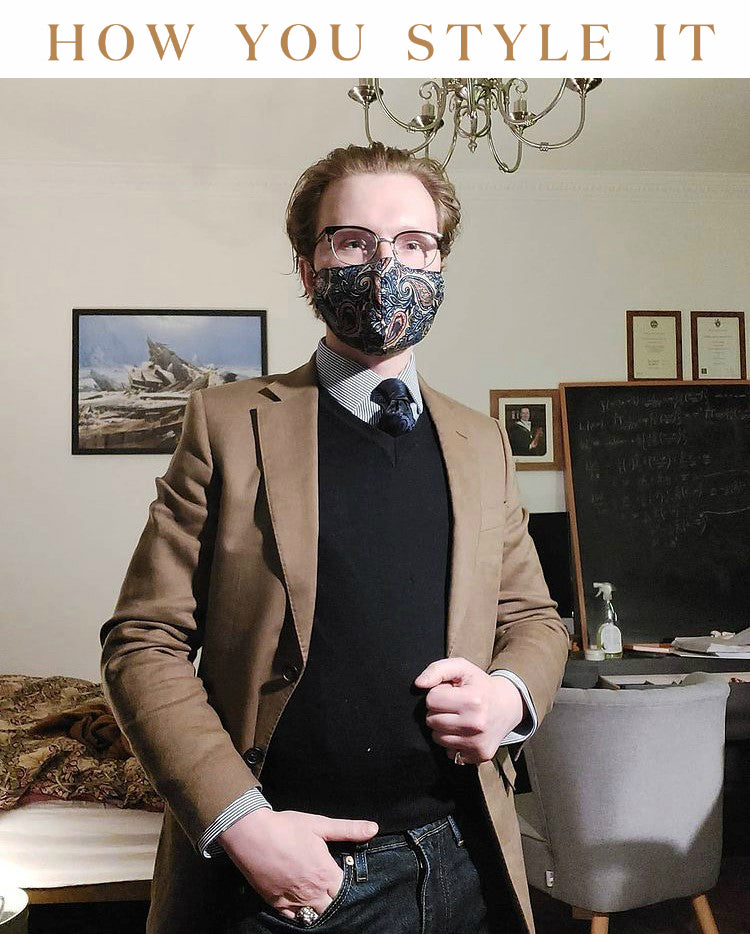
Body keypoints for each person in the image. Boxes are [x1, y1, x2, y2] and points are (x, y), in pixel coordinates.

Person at [100, 143, 569, 934]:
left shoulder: (482, 440)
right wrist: (243, 823)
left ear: (440, 265)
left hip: (467, 858)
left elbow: (534, 619)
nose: (387, 265)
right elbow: (142, 641)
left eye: (414, 243)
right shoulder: (225, 425)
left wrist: (509, 696)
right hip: (290, 879)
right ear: (308, 269)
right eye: (353, 241)